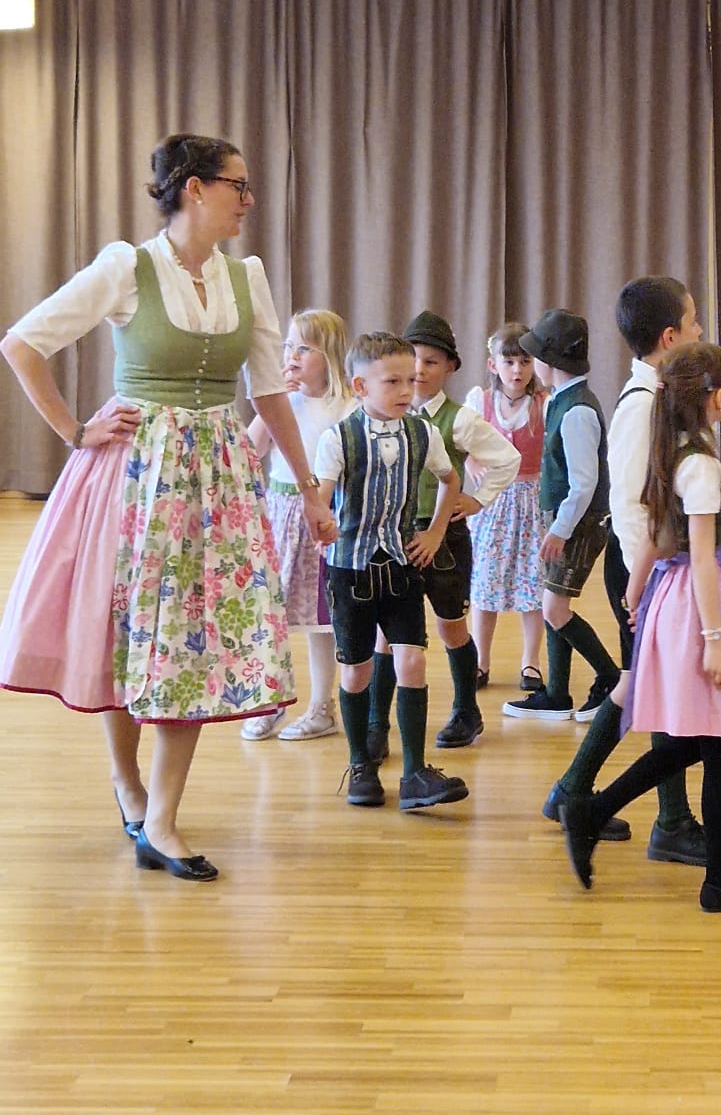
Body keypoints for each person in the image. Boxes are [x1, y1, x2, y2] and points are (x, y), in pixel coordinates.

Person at [0, 133, 335, 881]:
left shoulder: (246, 277)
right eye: (237, 186)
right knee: (129, 636)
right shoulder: (127, 267)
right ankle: (130, 786)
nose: (248, 200)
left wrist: (310, 490)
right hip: (135, 477)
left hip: (218, 477)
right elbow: (22, 343)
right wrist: (74, 431)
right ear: (193, 187)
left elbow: (269, 393)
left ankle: (162, 818)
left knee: (195, 642)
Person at [559, 342, 721, 913]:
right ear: (715, 396)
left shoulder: (675, 449)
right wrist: (715, 640)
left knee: (700, 742)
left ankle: (593, 811)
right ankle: (719, 881)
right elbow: (701, 557)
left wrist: (636, 590)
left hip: (675, 598)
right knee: (719, 746)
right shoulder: (700, 465)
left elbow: (658, 534)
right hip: (700, 606)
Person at [545, 277, 721, 867]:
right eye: (694, 322)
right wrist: (646, 578)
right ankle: (665, 820)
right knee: (657, 688)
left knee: (642, 684)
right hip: (644, 568)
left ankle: (575, 791)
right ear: (671, 337)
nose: (700, 330)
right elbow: (633, 502)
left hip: (653, 567)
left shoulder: (660, 395)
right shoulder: (643, 405)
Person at [314, 332, 471, 813]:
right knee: (357, 671)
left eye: (410, 379)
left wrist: (436, 531)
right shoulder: (338, 438)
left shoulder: (422, 433)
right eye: (393, 382)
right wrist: (320, 522)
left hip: (401, 565)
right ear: (360, 387)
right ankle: (361, 764)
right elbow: (321, 497)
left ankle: (415, 773)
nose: (407, 389)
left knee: (413, 662)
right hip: (351, 570)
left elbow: (450, 479)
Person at [364, 311, 519, 756]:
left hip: (444, 542)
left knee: (451, 626)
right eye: (412, 358)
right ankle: (376, 723)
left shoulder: (459, 420)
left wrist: (477, 500)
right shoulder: (383, 414)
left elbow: (507, 459)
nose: (419, 370)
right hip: (393, 540)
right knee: (386, 634)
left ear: (450, 367)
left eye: (431, 361)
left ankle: (467, 710)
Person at [502, 309, 621, 721]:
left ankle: (610, 678)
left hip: (581, 524)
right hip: (566, 521)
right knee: (551, 601)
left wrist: (560, 529)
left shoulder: (577, 411)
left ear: (548, 362)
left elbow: (584, 484)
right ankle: (557, 693)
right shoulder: (559, 400)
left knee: (554, 608)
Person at [242, 308, 353, 741]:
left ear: (330, 355)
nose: (291, 356)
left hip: (321, 516)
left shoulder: (347, 406)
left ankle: (322, 706)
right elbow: (251, 450)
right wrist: (270, 403)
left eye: (304, 348)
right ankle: (270, 701)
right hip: (279, 513)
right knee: (272, 614)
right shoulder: (283, 401)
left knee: (320, 621)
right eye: (288, 346)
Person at [466, 323, 547, 694]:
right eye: (509, 361)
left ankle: (531, 661)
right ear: (493, 364)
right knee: (485, 583)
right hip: (492, 502)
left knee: (534, 583)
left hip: (532, 502)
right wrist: (473, 464)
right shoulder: (481, 402)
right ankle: (479, 660)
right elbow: (461, 443)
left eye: (525, 362)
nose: (517, 370)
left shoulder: (544, 403)